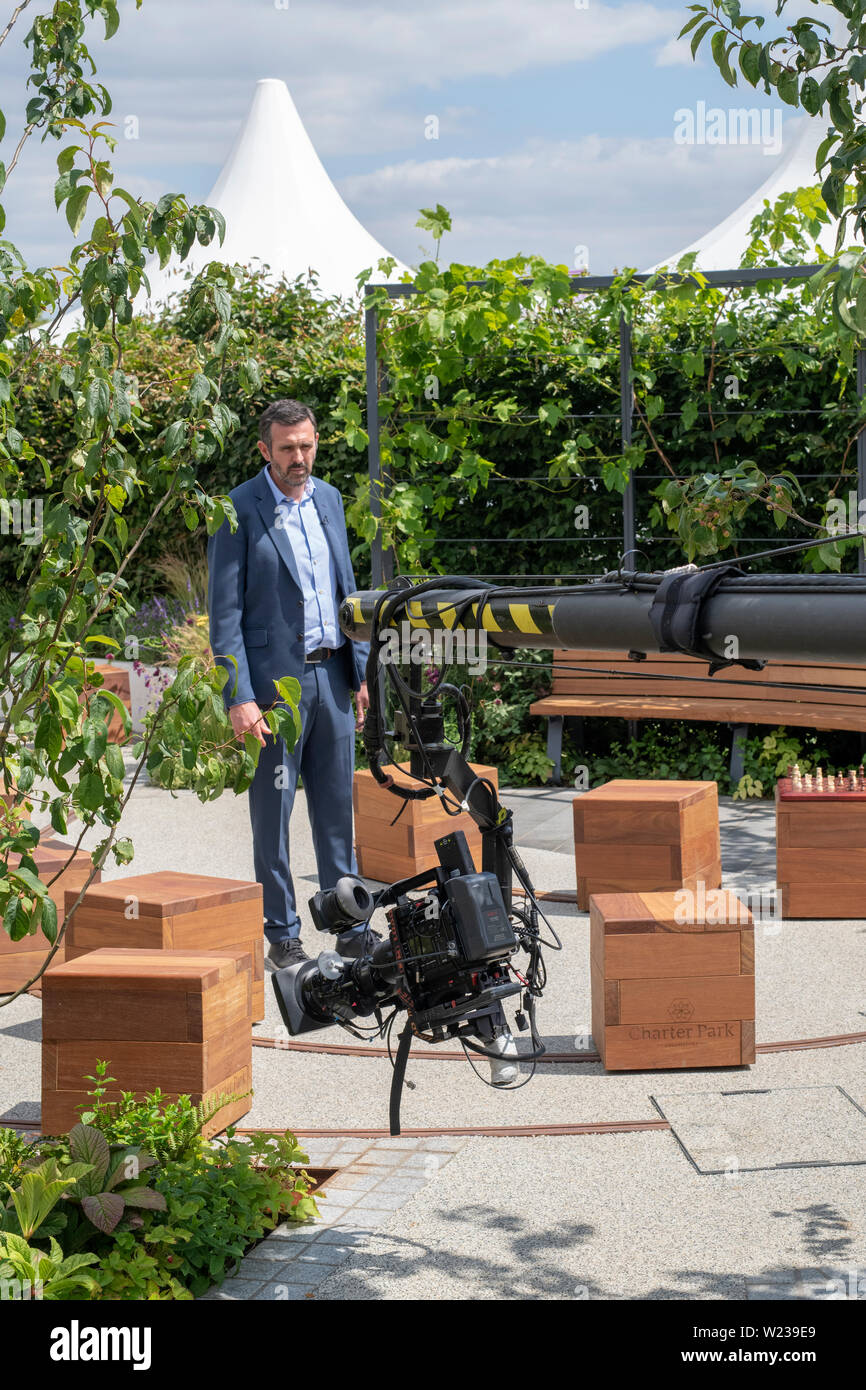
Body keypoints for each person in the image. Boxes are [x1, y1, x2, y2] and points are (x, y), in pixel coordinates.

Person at [207, 398, 374, 969]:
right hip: (274, 692)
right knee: (272, 813)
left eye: (306, 445)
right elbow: (223, 616)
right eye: (287, 448)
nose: (299, 457)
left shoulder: (328, 499)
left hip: (331, 675)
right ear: (264, 450)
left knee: (337, 810)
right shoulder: (238, 511)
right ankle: (282, 934)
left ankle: (350, 928)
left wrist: (358, 670)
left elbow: (346, 589)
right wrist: (240, 696)